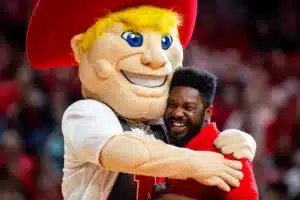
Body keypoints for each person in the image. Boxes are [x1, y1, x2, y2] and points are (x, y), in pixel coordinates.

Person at [26, 1, 257, 199]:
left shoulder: (160, 120)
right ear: (81, 50)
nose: (157, 59)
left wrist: (237, 142)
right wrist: (195, 163)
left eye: (165, 43)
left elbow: (200, 140)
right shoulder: (87, 113)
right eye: (133, 39)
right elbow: (122, 151)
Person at [157, 67, 258, 199]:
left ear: (208, 113)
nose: (177, 113)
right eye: (172, 105)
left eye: (189, 108)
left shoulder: (228, 152)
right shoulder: (159, 141)